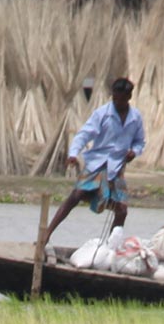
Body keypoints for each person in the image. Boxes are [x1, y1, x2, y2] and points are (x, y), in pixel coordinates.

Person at [46, 76, 143, 240]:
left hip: (116, 168)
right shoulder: (102, 113)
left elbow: (140, 141)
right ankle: (47, 234)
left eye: (121, 99)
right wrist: (73, 153)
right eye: (115, 98)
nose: (117, 102)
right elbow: (84, 134)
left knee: (122, 210)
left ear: (129, 97)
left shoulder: (135, 117)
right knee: (76, 195)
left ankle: (109, 246)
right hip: (97, 163)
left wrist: (134, 151)